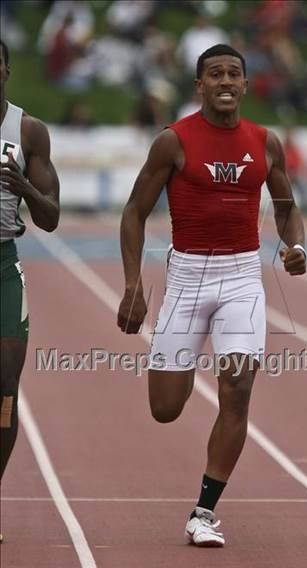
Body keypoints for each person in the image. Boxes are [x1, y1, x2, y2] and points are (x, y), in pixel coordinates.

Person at [118, 44, 306, 547]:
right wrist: (134, 285)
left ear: (245, 85)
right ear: (199, 85)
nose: (226, 81)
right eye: (215, 74)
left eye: (235, 74)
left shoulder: (265, 143)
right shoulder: (173, 142)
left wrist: (296, 245)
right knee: (165, 408)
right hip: (187, 276)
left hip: (243, 276)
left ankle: (203, 511)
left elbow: (285, 205)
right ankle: (190, 359)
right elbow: (134, 212)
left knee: (238, 388)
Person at [0, 39, 60, 541]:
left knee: (3, 390)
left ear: (6, 71)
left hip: (1, 265)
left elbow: (51, 218)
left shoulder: (27, 130)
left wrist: (24, 187)